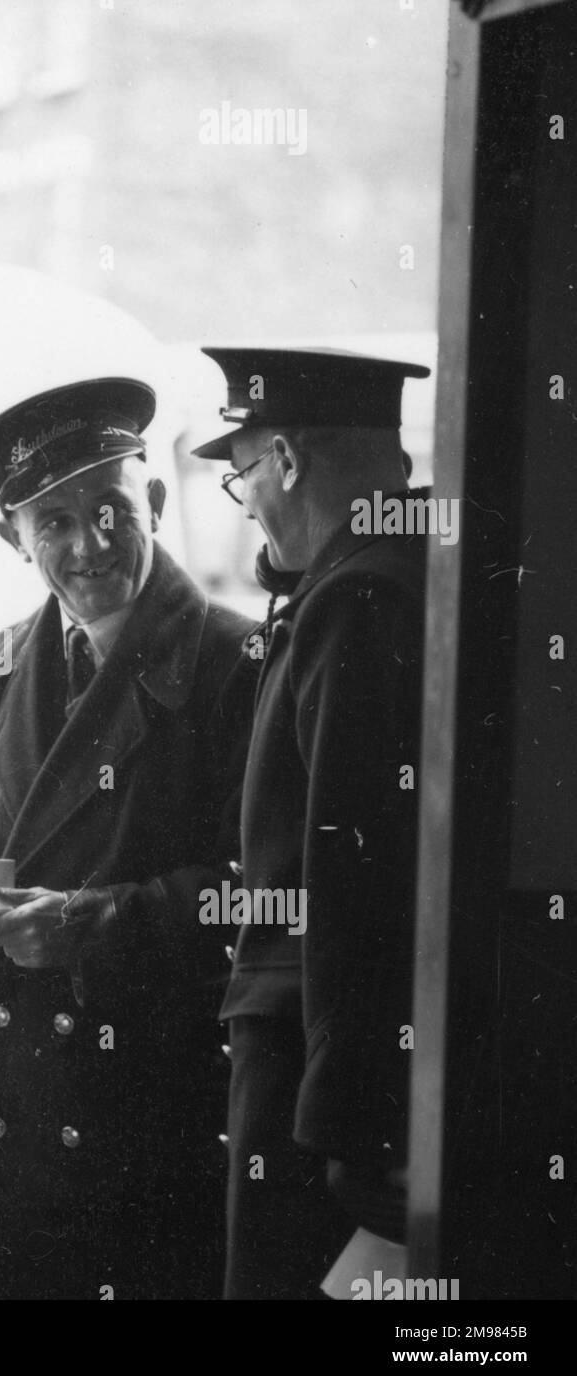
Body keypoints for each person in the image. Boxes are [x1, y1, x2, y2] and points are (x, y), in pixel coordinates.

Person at [0, 377, 257, 1299]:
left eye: (109, 510)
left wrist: (87, 925)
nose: (87, 545)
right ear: (13, 539)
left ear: (152, 501)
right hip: (4, 1129)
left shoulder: (240, 664)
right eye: (53, 522)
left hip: (151, 1132)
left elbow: (264, 893)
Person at [192, 346, 432, 1299]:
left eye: (242, 471)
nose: (244, 500)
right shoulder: (396, 571)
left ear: (286, 459)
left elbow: (355, 879)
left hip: (316, 1085)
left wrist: (355, 1138)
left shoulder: (356, 600)